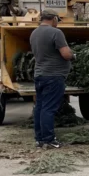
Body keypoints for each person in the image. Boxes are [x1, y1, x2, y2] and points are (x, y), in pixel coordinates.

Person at [29, 9, 73, 149]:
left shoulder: (34, 33)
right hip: (53, 76)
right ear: (54, 18)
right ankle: (49, 140)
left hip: (40, 75)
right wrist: (73, 55)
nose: (57, 23)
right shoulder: (56, 33)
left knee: (40, 107)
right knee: (49, 108)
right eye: (57, 20)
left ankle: (40, 139)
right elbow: (66, 54)